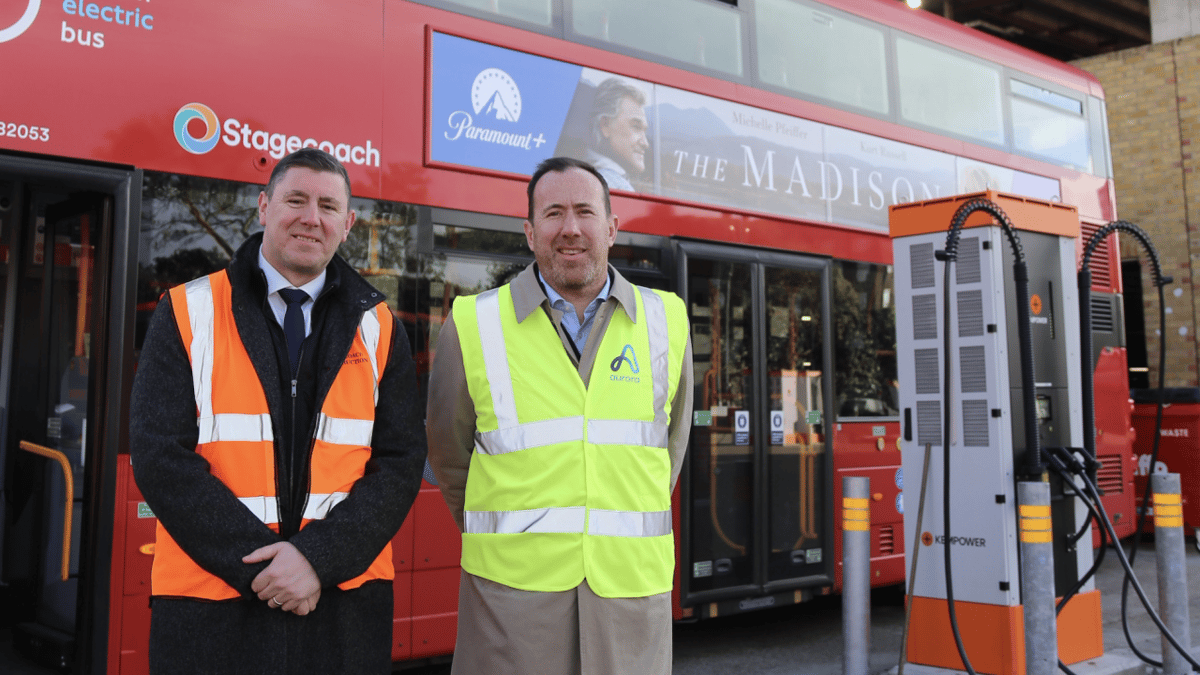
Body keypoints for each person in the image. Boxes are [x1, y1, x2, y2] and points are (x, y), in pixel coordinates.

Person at [130, 148, 426, 674]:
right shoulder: (185, 310)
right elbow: (158, 456)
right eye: (296, 199)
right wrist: (266, 571)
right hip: (212, 610)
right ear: (264, 206)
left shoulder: (381, 327)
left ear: (348, 223)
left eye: (328, 206)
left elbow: (400, 464)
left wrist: (317, 560)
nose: (311, 218)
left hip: (341, 613)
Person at [426, 156, 693, 675]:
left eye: (585, 212)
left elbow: (669, 452)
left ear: (612, 228)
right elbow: (449, 457)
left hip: (631, 604)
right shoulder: (471, 325)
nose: (570, 229)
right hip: (510, 609)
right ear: (529, 232)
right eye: (553, 213)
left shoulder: (669, 321)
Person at [585, 77, 651, 192]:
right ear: (605, 125)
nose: (645, 143)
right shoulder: (615, 186)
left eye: (644, 131)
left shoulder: (584, 174)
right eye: (636, 127)